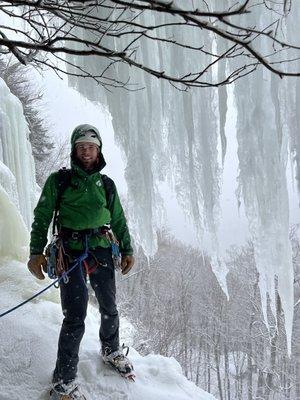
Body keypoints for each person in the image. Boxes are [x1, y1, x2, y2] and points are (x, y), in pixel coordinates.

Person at [27, 124, 135, 400]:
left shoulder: (106, 184)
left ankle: (110, 349)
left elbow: (119, 219)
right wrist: (35, 252)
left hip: (100, 250)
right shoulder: (59, 181)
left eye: (91, 146)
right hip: (70, 252)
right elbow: (42, 216)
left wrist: (128, 249)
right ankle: (63, 381)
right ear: (75, 150)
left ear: (98, 151)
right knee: (75, 317)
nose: (87, 151)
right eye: (82, 147)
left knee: (109, 306)